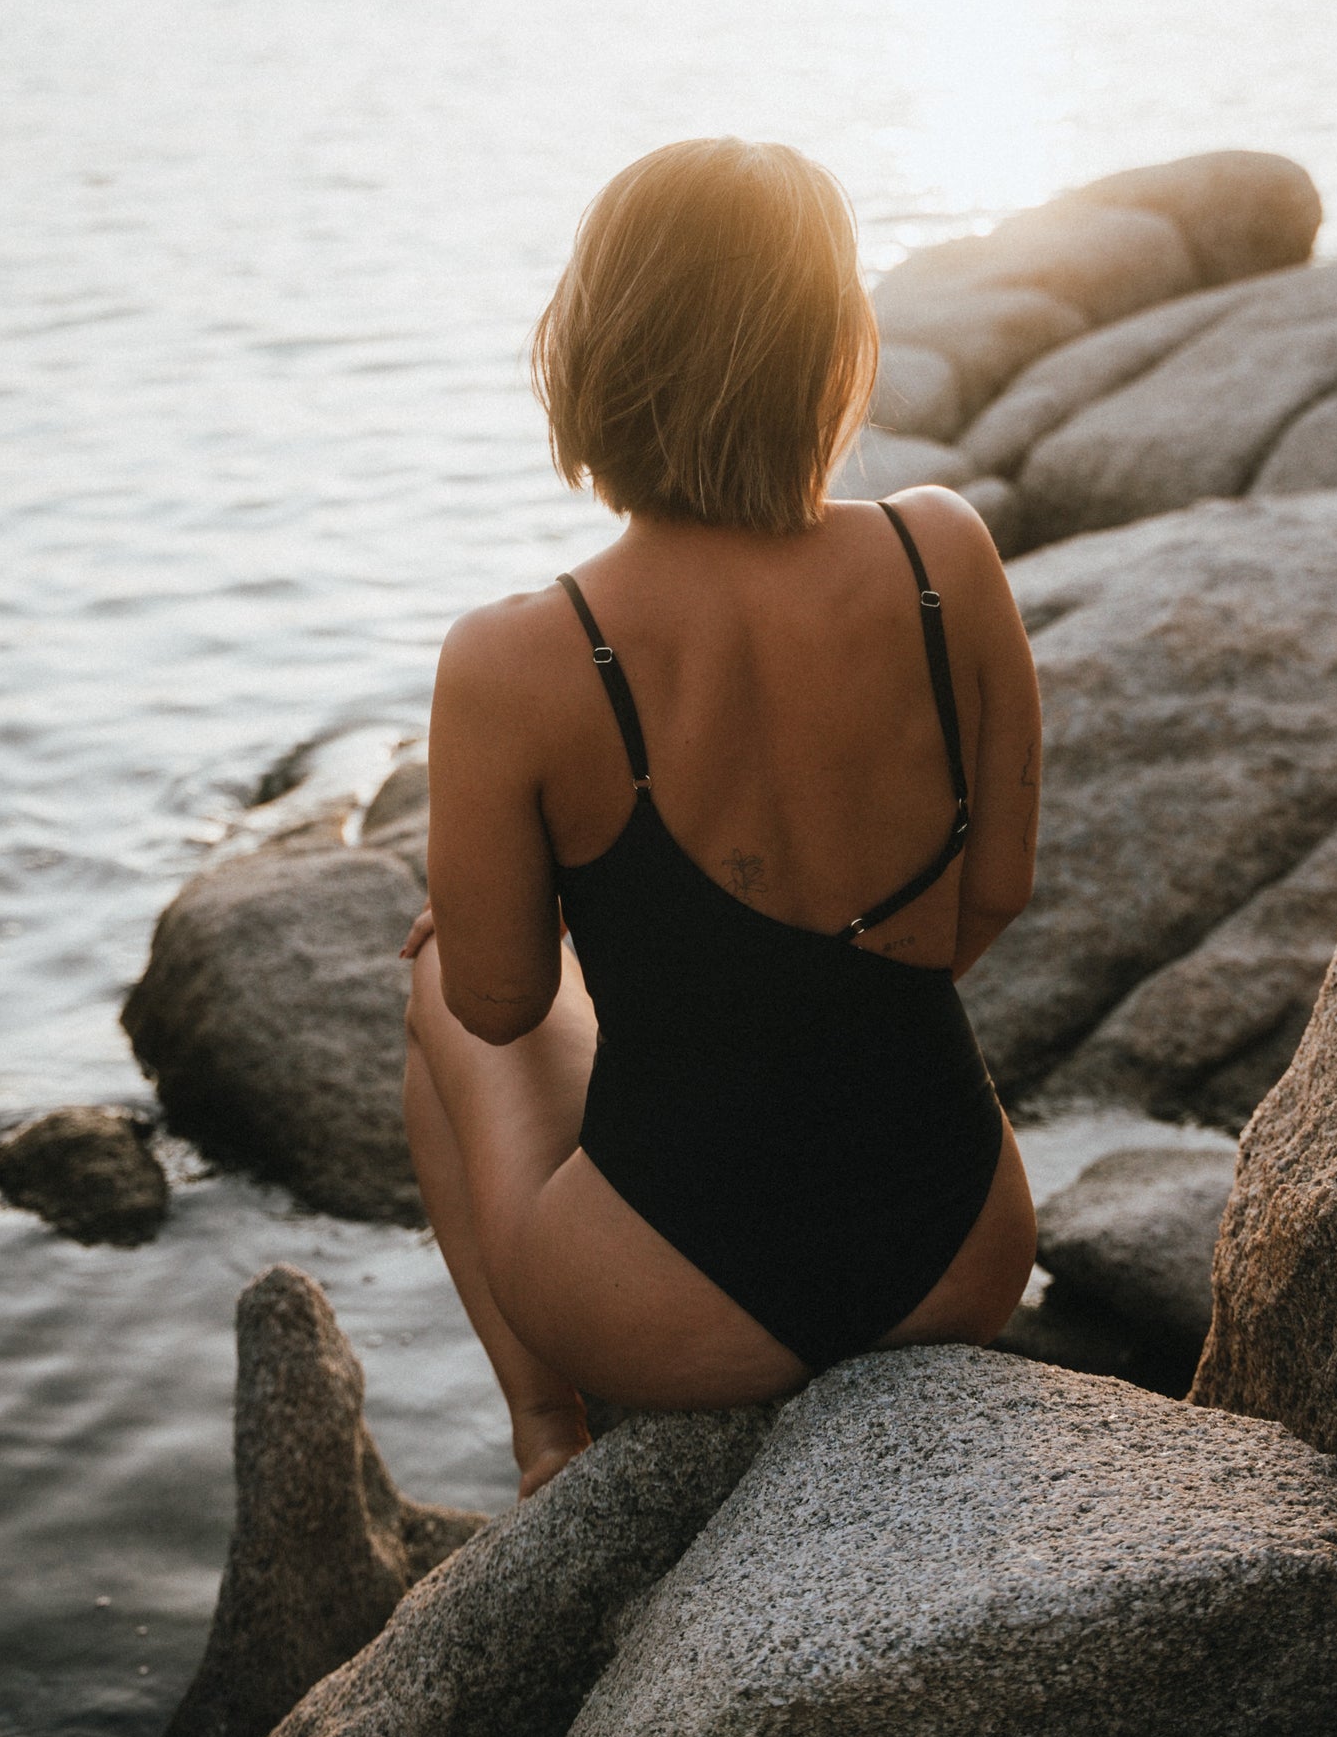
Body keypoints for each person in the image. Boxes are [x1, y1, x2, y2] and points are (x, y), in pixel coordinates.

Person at [400, 138, 1042, 1498]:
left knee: (434, 981)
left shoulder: (514, 656)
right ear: (832, 350)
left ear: (593, 353)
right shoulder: (943, 551)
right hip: (961, 1252)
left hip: (667, 1304)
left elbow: (502, 1008)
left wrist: (525, 912)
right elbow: (991, 892)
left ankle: (548, 1432)